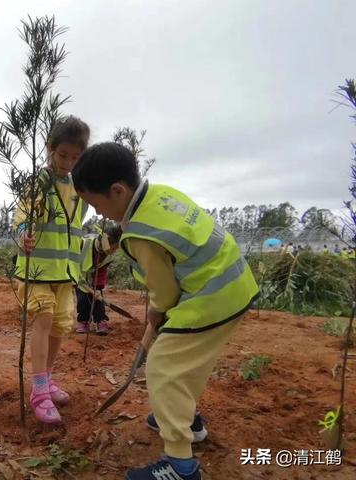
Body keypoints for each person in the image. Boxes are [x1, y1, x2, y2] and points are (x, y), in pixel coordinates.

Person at [72, 142, 259, 480]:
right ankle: (185, 419)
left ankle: (180, 465)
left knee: (162, 367)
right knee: (187, 362)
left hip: (210, 296)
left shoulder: (141, 232)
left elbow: (165, 292)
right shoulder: (160, 194)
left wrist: (156, 317)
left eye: (94, 203)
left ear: (117, 190)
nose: (97, 213)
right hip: (235, 285)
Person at [14, 115, 90, 424]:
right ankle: (38, 391)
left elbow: (76, 225)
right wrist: (23, 234)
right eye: (63, 155)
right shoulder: (40, 182)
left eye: (76, 157)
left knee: (61, 325)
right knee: (43, 318)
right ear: (49, 149)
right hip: (37, 270)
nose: (68, 163)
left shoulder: (78, 188)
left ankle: (46, 378)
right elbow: (22, 215)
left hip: (65, 270)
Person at [75, 225, 121, 335]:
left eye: (116, 249)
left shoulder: (109, 254)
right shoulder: (84, 244)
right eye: (113, 248)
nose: (114, 251)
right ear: (106, 242)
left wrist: (98, 287)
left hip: (93, 274)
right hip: (79, 273)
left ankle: (101, 320)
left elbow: (102, 269)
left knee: (98, 299)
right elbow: (77, 270)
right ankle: (83, 321)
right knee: (83, 298)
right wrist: (89, 289)